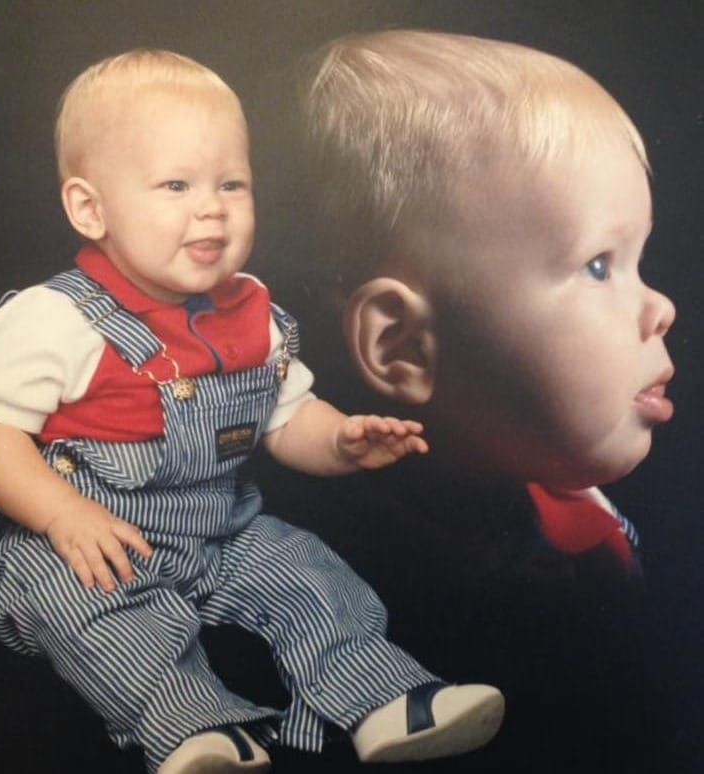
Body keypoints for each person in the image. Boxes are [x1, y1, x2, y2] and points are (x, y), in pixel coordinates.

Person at [0, 49, 506, 774]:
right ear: (90, 207)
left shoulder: (253, 315)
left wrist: (342, 441)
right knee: (92, 615)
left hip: (220, 528)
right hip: (86, 541)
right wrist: (59, 515)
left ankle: (386, 700)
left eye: (232, 183)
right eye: (176, 185)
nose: (212, 207)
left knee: (307, 572)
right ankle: (193, 728)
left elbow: (287, 421)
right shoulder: (56, 319)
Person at [251, 29, 677, 772]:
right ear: (403, 348)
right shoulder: (389, 622)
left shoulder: (550, 499)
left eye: (638, 259)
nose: (661, 307)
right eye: (601, 265)